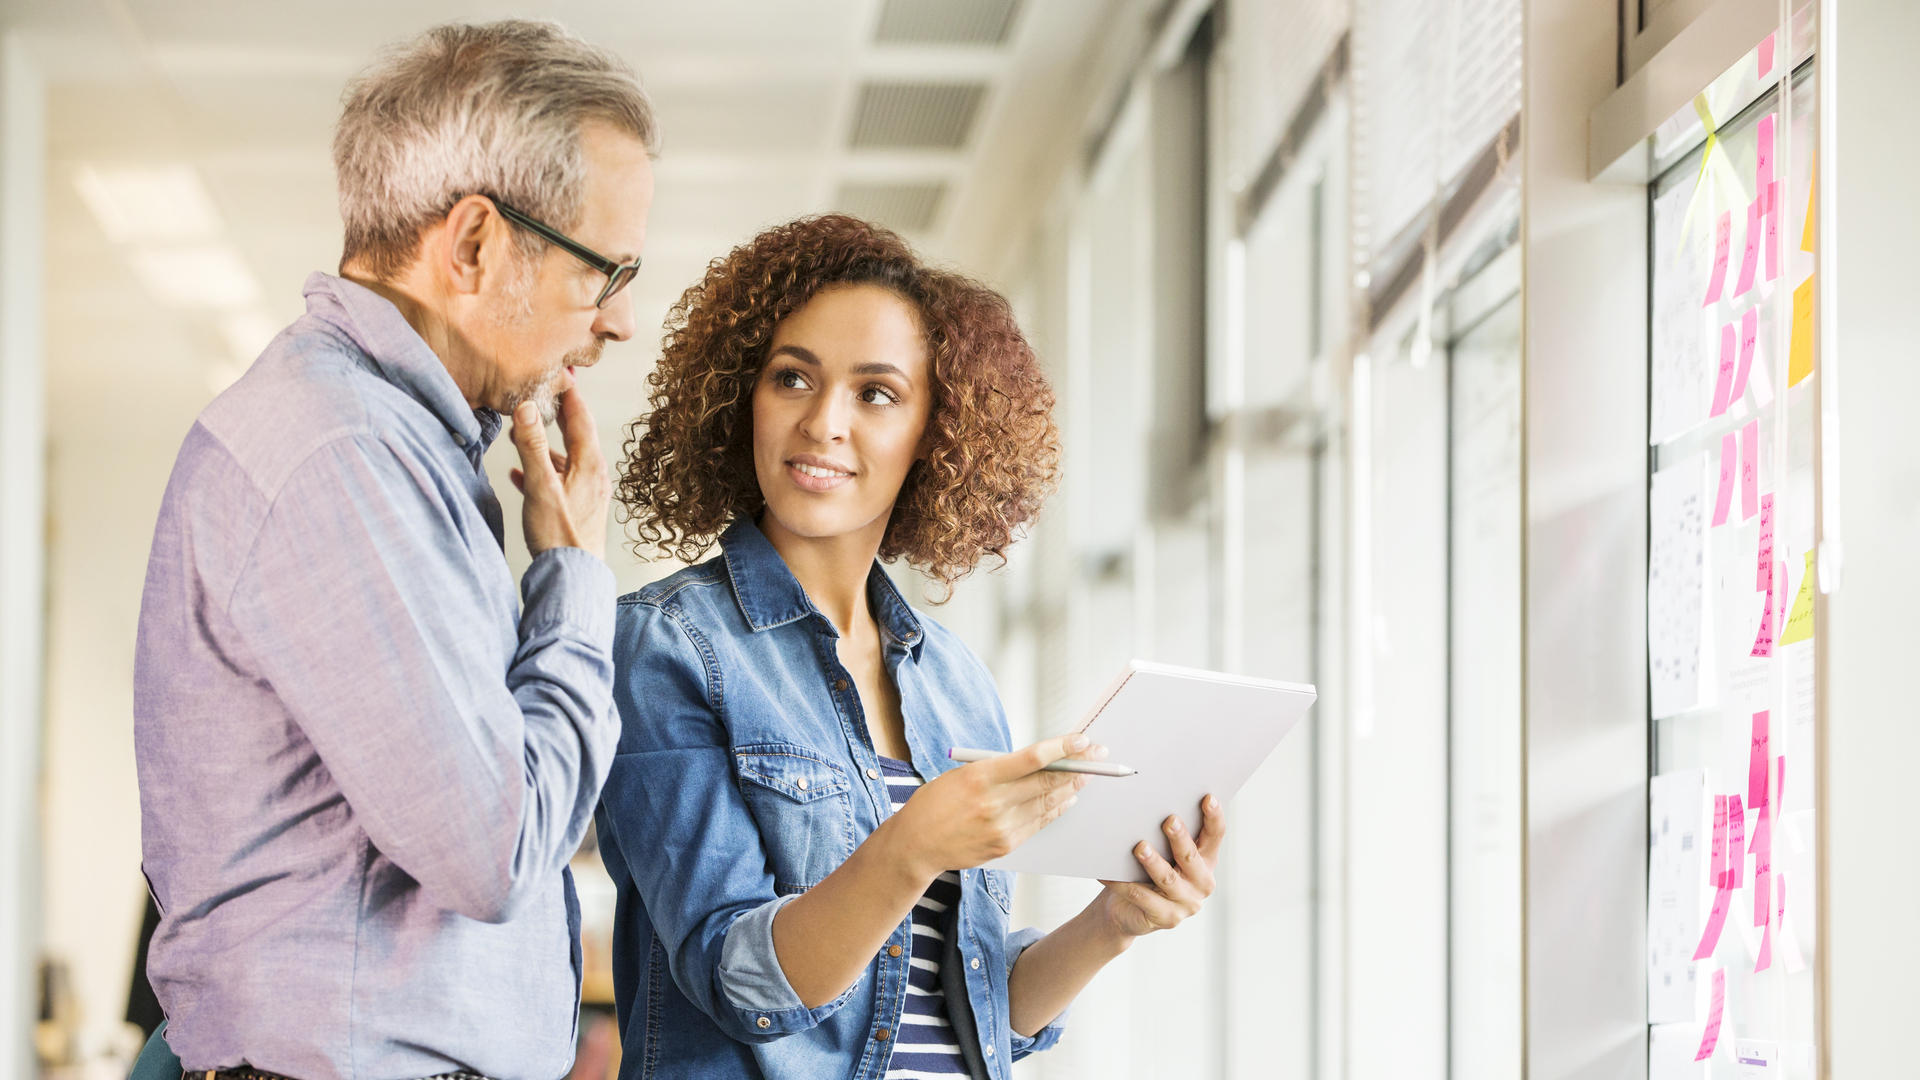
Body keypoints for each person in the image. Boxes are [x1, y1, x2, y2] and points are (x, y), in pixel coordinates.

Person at [131, 20, 653, 1080]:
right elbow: (495, 850)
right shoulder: (342, 452)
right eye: (608, 270)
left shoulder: (395, 448)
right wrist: (576, 583)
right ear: (472, 245)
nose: (621, 321)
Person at [596, 214, 1227, 1080]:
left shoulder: (953, 679)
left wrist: (1110, 924)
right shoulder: (666, 644)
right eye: (792, 378)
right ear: (744, 395)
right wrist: (911, 845)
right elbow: (740, 983)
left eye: (876, 393)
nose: (823, 422)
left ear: (937, 433)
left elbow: (963, 1009)